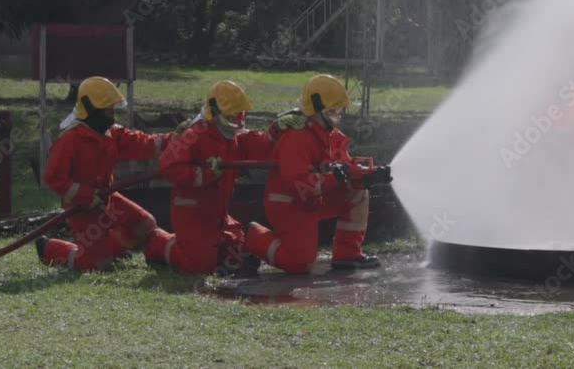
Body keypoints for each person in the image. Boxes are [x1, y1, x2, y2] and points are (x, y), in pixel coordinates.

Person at [246, 74, 392, 273]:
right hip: (290, 205)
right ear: (316, 108)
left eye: (339, 110)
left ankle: (348, 255)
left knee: (358, 192)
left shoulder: (333, 136)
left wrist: (367, 175)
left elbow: (345, 166)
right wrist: (335, 177)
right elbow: (299, 187)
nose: (338, 115)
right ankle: (252, 237)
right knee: (300, 263)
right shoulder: (296, 138)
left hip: (315, 200)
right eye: (333, 110)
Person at [143, 81, 287, 274]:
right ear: (215, 111)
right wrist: (205, 174)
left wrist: (275, 132)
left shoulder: (232, 136)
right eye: (231, 115)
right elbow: (168, 165)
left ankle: (210, 248)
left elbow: (257, 146)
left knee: (235, 255)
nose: (236, 119)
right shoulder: (194, 134)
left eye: (239, 114)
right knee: (199, 265)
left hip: (218, 215)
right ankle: (157, 244)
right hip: (192, 213)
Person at [37, 77, 172, 270]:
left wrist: (174, 139)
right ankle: (50, 249)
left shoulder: (110, 134)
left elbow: (144, 143)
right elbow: (54, 178)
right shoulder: (70, 140)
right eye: (109, 110)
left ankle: (112, 250)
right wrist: (85, 195)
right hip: (82, 208)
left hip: (107, 199)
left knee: (144, 224)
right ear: (92, 109)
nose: (113, 115)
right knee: (96, 264)